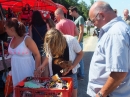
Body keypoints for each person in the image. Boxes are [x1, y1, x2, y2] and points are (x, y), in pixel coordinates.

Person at [87, 1, 130, 97]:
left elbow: (119, 72)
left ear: (101, 15)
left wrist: (101, 94)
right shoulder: (118, 29)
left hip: (109, 94)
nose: (94, 24)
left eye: (93, 20)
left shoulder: (115, 33)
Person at [37, 28, 83, 97]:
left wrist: (72, 66)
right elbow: (48, 56)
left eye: (54, 46)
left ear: (59, 41)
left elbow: (81, 54)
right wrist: (42, 65)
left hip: (70, 75)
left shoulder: (71, 40)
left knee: (72, 94)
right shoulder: (50, 42)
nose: (52, 48)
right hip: (55, 77)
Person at [4, 18, 41, 90]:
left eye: (6, 28)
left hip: (27, 69)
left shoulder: (27, 39)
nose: (5, 30)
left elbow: (37, 54)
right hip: (15, 70)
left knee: (28, 90)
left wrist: (37, 69)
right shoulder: (12, 39)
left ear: (11, 29)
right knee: (18, 89)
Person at [29, 10, 49, 77]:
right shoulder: (46, 24)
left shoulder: (31, 26)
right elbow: (49, 35)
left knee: (37, 66)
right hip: (44, 46)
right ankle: (46, 82)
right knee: (45, 66)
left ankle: (39, 82)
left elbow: (30, 38)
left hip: (35, 47)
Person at [68, 6, 85, 80]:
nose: (70, 13)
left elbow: (81, 31)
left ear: (74, 11)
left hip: (78, 42)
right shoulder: (76, 19)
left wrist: (78, 41)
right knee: (77, 58)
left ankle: (82, 74)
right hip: (76, 41)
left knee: (79, 58)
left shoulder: (80, 18)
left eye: (70, 12)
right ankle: (80, 73)